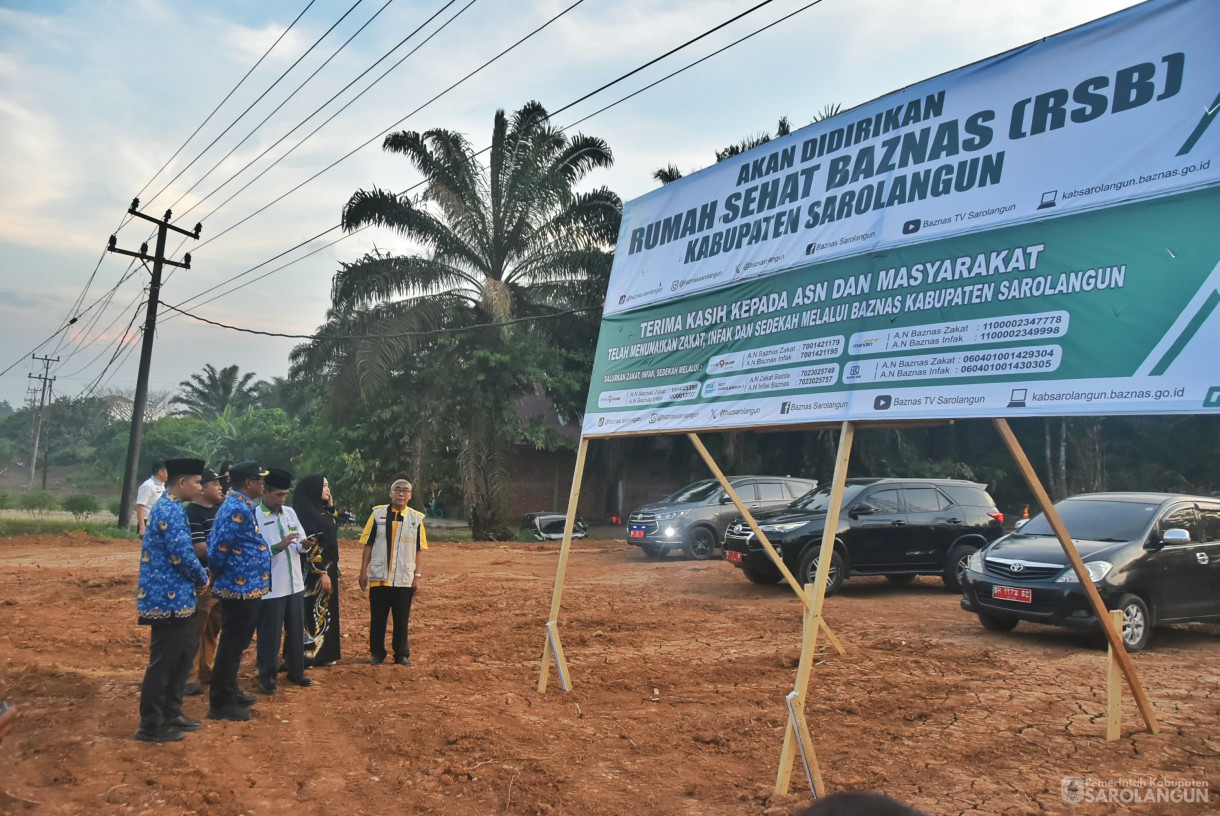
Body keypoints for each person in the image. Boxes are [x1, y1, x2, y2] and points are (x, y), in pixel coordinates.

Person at [134, 457, 209, 743]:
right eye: (197, 482)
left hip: (179, 597)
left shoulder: (174, 508)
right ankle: (151, 724)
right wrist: (202, 577)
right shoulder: (169, 509)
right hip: (166, 599)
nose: (200, 487)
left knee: (181, 656)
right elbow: (182, 554)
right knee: (164, 662)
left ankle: (172, 712)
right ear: (182, 483)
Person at [205, 461, 271, 722]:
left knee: (238, 643)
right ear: (248, 483)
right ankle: (220, 703)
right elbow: (220, 546)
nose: (263, 484)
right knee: (232, 645)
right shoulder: (236, 508)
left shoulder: (241, 505)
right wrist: (217, 571)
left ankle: (230, 690)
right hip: (238, 587)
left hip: (247, 586)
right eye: (260, 479)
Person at [254, 468, 312, 694]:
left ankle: (296, 671)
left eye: (285, 495)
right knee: (270, 634)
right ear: (265, 493)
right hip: (271, 588)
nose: (282, 500)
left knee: (296, 630)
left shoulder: (289, 513)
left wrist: (304, 545)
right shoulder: (255, 516)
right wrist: (279, 546)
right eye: (278, 495)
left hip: (294, 583)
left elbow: (300, 539)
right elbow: (255, 552)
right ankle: (267, 677)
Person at [358, 476, 426, 666]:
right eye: (397, 489)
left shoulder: (416, 519)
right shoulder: (377, 515)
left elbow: (419, 550)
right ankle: (377, 653)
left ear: (410, 495)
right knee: (378, 618)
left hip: (404, 578)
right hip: (380, 578)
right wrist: (363, 570)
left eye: (405, 490)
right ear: (390, 493)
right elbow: (368, 545)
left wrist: (417, 577)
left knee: (402, 619)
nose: (401, 493)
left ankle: (401, 654)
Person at [183, 467, 226, 696]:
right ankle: (187, 677)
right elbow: (199, 549)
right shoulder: (192, 514)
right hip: (204, 580)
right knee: (195, 628)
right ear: (201, 489)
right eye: (214, 483)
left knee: (213, 628)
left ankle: (206, 670)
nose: (219, 487)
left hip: (221, 579)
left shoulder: (219, 509)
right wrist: (227, 549)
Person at [294, 474, 341, 667]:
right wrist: (321, 572)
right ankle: (308, 655)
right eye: (324, 486)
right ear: (312, 489)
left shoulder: (319, 511)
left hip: (327, 569)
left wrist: (330, 506)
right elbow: (312, 546)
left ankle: (324, 653)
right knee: (311, 610)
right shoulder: (305, 514)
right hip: (313, 573)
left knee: (325, 611)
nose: (328, 490)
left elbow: (335, 526)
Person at [135, 460, 168, 537]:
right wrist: (142, 527)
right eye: (167, 471)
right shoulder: (148, 486)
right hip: (148, 522)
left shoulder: (162, 486)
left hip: (158, 522)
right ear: (161, 472)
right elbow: (140, 507)